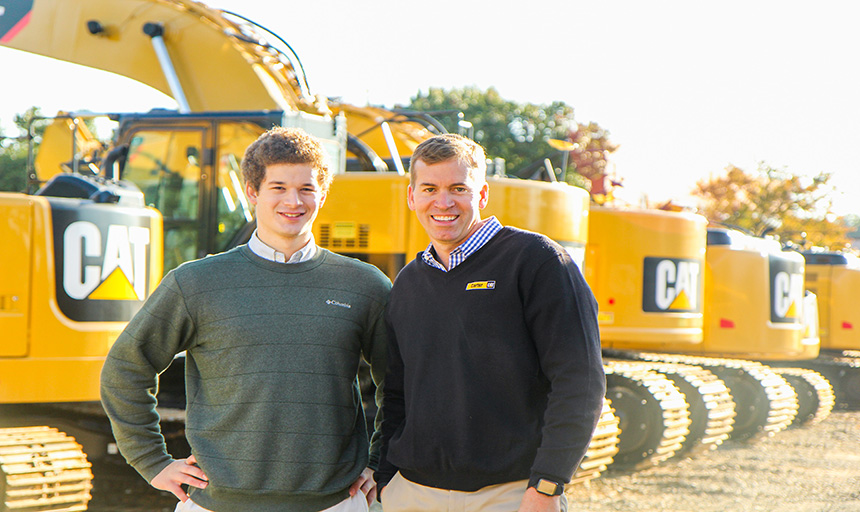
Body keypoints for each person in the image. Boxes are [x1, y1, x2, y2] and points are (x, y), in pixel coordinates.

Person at [100, 127, 391, 512]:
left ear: (322, 193)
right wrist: (152, 461)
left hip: (335, 503)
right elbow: (125, 367)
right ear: (252, 192)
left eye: (306, 188)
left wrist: (379, 462)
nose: (294, 200)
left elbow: (400, 383)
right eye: (278, 187)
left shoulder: (365, 285)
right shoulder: (195, 282)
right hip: (214, 504)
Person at [375, 134, 605, 512]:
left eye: (458, 188)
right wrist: (387, 480)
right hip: (412, 495)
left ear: (481, 196)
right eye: (429, 188)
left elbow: (580, 382)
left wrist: (547, 485)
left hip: (509, 496)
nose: (443, 202)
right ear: (411, 196)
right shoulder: (408, 282)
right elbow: (397, 394)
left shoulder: (537, 262)